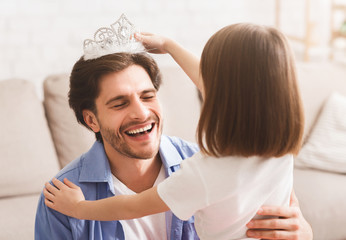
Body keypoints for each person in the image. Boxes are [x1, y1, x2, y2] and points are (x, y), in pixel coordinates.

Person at [42, 23, 313, 239]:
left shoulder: (200, 172)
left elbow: (131, 207)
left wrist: (79, 209)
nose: (140, 113)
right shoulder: (280, 155)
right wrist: (170, 46)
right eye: (120, 103)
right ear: (91, 120)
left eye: (148, 96)